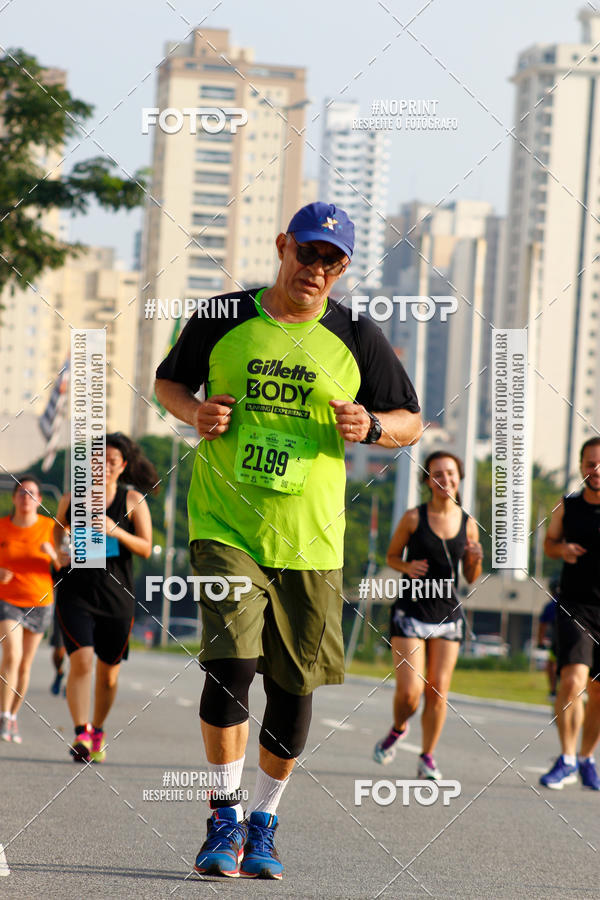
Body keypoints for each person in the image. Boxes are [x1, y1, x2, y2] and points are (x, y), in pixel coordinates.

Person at [154, 201, 423, 879]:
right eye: (308, 253)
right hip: (226, 524)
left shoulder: (357, 332)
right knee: (233, 663)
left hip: (311, 537)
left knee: (293, 687)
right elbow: (168, 381)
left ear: (345, 268)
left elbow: (412, 421)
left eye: (333, 260)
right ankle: (224, 814)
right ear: (283, 246)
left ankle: (264, 822)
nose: (318, 269)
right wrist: (195, 412)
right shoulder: (224, 315)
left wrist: (372, 426)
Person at [373, 451, 483, 779]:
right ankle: (398, 728)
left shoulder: (468, 523)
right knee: (410, 692)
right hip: (411, 610)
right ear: (427, 481)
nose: (444, 479)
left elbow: (471, 576)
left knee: (438, 690)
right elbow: (391, 556)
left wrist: (475, 558)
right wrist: (407, 566)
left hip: (447, 614)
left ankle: (427, 757)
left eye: (450, 473)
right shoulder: (412, 518)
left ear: (459, 477)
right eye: (437, 474)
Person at [54, 433, 155, 763]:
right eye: (99, 460)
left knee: (108, 674)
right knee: (81, 660)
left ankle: (97, 729)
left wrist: (116, 531)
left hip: (116, 596)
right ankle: (81, 731)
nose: (105, 466)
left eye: (113, 461)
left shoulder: (131, 500)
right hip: (76, 591)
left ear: (122, 465)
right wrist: (59, 553)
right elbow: (57, 535)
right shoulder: (72, 498)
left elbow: (146, 547)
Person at [540, 437, 600, 791]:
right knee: (573, 680)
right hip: (575, 606)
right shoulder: (567, 506)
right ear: (581, 467)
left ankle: (587, 758)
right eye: (591, 463)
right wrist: (561, 549)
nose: (596, 470)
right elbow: (548, 544)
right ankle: (565, 758)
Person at [0, 475, 58, 743]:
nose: (26, 498)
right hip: (7, 600)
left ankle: (12, 716)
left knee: (25, 664)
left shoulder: (50, 528)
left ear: (40, 500)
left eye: (32, 493)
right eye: (22, 493)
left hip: (39, 601)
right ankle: (3, 716)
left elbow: (67, 566)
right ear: (14, 498)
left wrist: (54, 554)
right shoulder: (2, 527)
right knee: (12, 654)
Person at [537, 576, 559, 700]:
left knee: (551, 664)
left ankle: (553, 690)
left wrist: (540, 642)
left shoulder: (551, 605)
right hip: (577, 642)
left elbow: (542, 627)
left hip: (558, 641)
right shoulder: (572, 603)